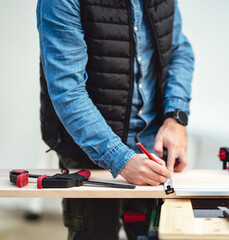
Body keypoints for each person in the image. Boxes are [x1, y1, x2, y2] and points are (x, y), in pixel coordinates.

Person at [36, 0, 194, 239]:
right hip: (87, 151)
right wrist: (121, 159)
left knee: (154, 233)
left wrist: (176, 117)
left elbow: (179, 50)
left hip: (153, 149)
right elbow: (68, 90)